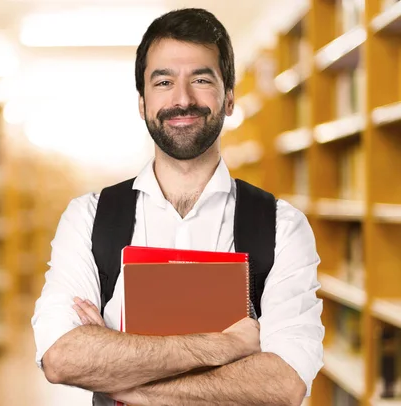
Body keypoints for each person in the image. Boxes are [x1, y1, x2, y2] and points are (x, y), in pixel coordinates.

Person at [31, 7, 324, 406]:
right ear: (142, 103)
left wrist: (120, 374)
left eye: (201, 79)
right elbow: (62, 358)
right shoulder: (88, 218)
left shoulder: (282, 227)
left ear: (230, 98)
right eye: (164, 81)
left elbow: (284, 383)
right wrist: (224, 347)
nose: (182, 99)